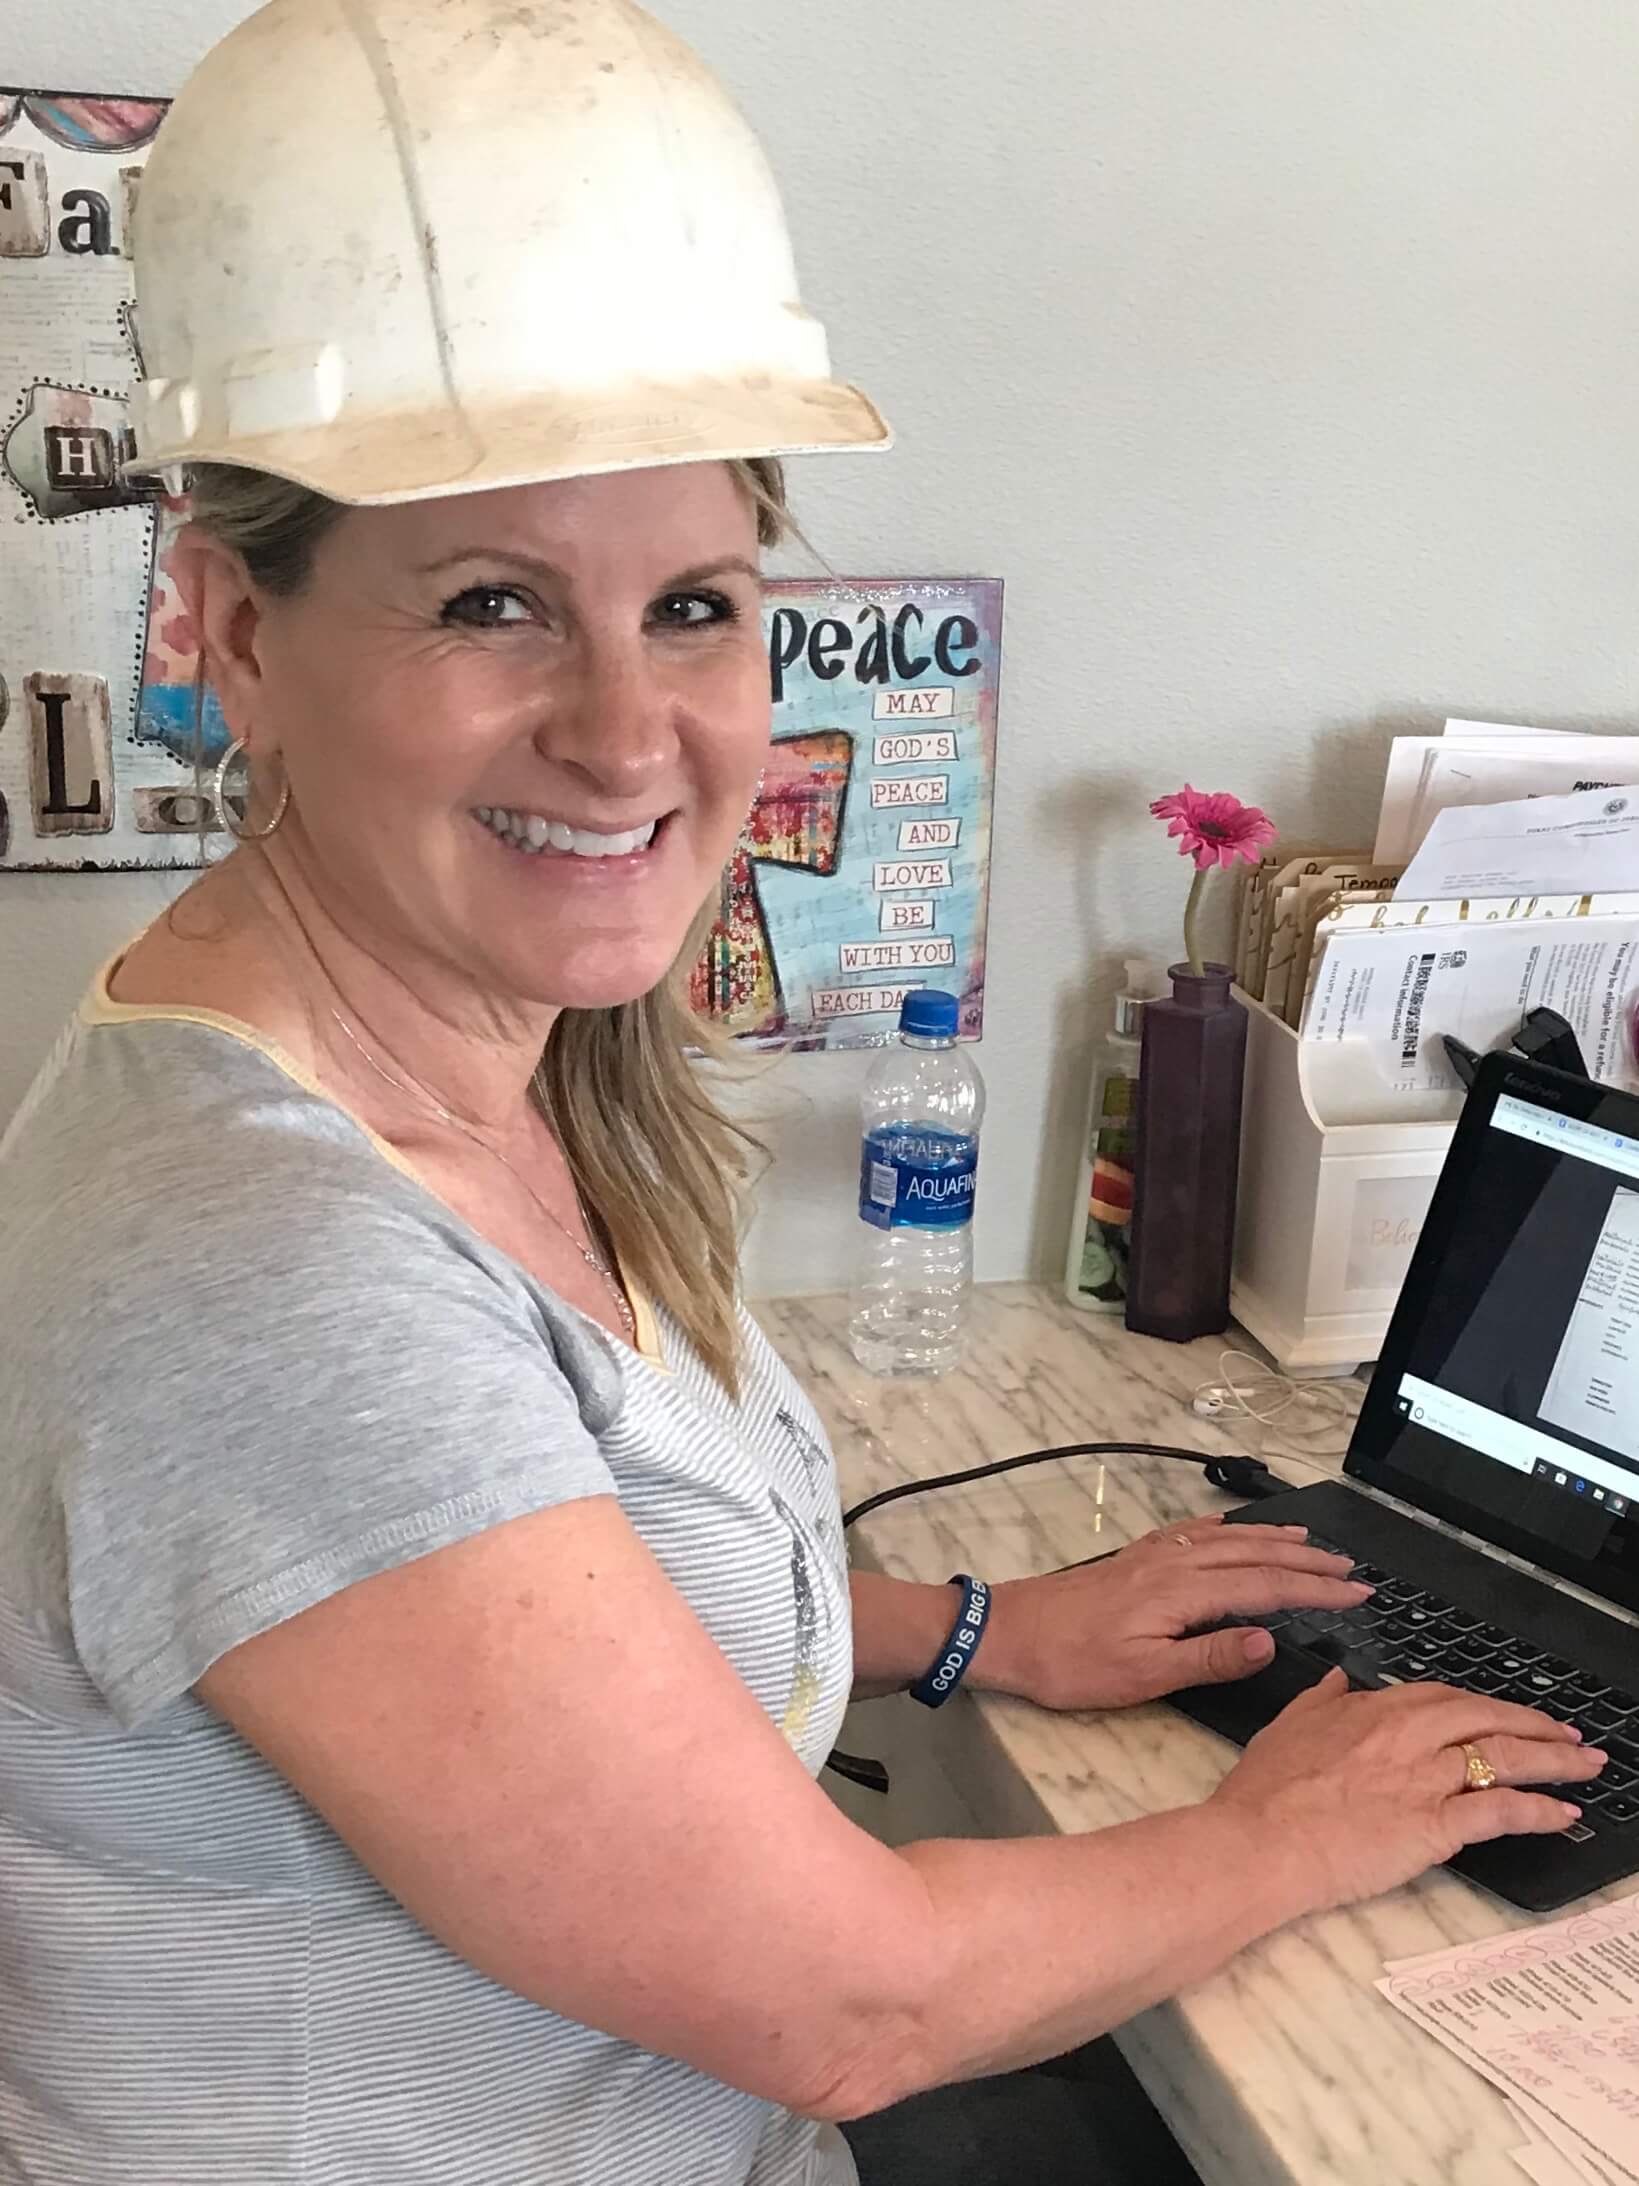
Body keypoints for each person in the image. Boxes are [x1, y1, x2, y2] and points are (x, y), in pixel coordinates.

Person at [0, 3, 1601, 2182]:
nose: (628, 729)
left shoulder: (486, 1066)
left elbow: (540, 1603)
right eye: (489, 602)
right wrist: (1282, 1830)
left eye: (690, 603)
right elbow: (848, 2000)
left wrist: (976, 1631)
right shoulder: (263, 1272)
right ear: (229, 631)